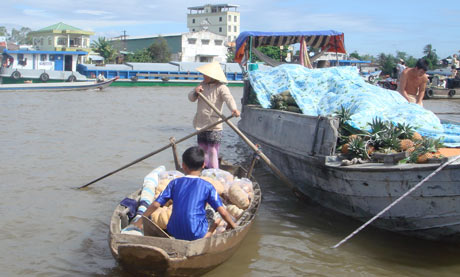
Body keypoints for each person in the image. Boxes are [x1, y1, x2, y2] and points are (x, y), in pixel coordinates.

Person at [133, 146, 237, 240]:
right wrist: (233, 226)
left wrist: (139, 221)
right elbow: (223, 212)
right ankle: (208, 233)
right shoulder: (207, 186)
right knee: (212, 213)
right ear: (203, 165)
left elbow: (156, 204)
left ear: (183, 165)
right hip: (197, 234)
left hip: (174, 231)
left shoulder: (174, 183)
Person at [188, 62, 240, 169]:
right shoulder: (202, 85)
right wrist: (196, 92)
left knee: (212, 149)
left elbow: (228, 99)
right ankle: (204, 169)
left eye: (206, 75)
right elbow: (191, 98)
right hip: (201, 124)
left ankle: (214, 171)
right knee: (202, 149)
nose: (204, 76)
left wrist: (234, 109)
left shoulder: (221, 87)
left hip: (215, 124)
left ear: (212, 76)